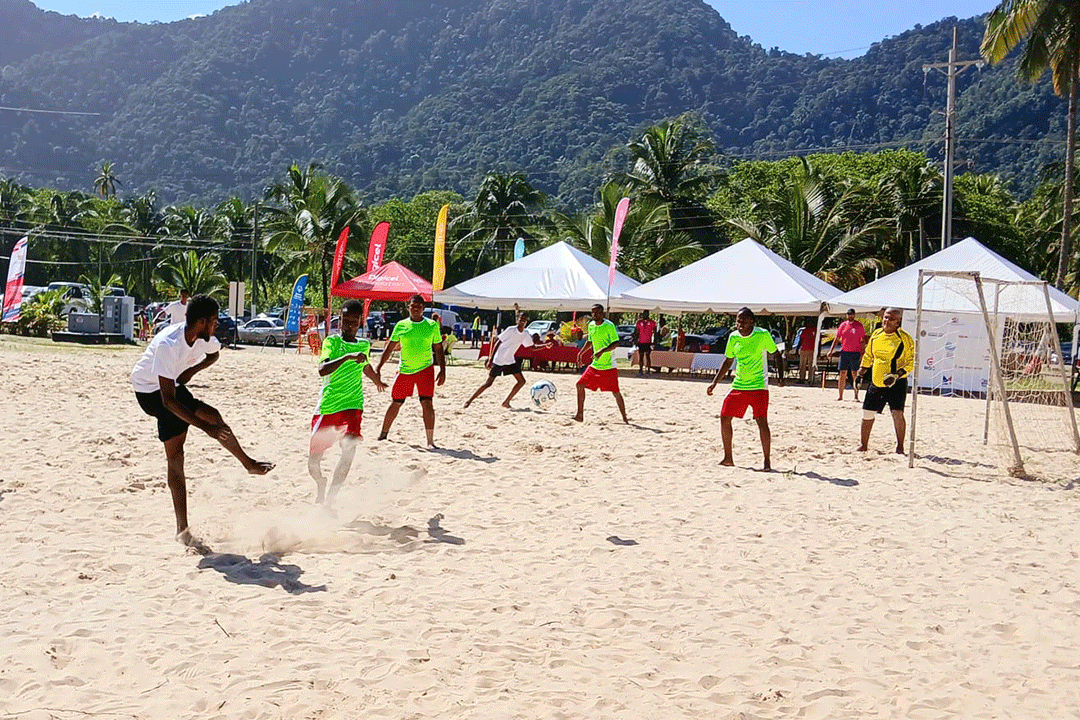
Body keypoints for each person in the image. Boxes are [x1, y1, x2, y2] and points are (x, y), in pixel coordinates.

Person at [131, 294, 274, 548]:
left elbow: (213, 355)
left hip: (171, 386)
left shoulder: (202, 338)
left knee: (214, 416)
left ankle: (248, 463)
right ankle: (182, 530)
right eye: (214, 321)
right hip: (149, 392)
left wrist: (190, 371)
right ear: (201, 321)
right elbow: (168, 401)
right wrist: (205, 428)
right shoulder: (168, 344)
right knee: (177, 455)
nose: (217, 325)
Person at [309, 299, 387, 505]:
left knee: (349, 450)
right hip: (328, 407)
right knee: (313, 463)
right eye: (346, 320)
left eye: (354, 321)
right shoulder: (332, 343)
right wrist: (347, 357)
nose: (350, 325)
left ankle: (331, 499)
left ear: (361, 321)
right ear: (340, 320)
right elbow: (322, 370)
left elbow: (365, 366)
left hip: (353, 406)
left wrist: (377, 380)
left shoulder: (364, 344)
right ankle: (321, 483)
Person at [706, 307, 784, 471]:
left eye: (743, 321)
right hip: (739, 385)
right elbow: (728, 361)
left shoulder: (762, 335)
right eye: (738, 321)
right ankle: (728, 458)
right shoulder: (733, 337)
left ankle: (767, 461)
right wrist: (714, 382)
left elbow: (776, 354)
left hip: (759, 386)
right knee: (724, 417)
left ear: (751, 322)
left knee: (761, 422)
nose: (740, 324)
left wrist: (781, 377)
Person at [375, 294, 446, 448]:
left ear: (423, 309)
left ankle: (430, 441)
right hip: (405, 370)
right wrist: (379, 367)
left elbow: (439, 348)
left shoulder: (432, 326)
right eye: (413, 306)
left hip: (426, 369)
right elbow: (389, 348)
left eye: (419, 307)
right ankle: (383, 433)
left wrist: (443, 370)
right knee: (396, 402)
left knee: (427, 403)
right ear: (408, 307)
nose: (415, 309)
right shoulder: (401, 325)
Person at [857, 307, 915, 454]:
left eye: (891, 319)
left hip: (896, 383)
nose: (886, 321)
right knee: (867, 413)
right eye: (885, 317)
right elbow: (869, 355)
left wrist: (896, 375)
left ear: (898, 322)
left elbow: (910, 362)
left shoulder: (905, 338)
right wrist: (861, 371)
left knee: (897, 414)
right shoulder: (876, 334)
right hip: (876, 382)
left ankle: (900, 447)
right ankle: (863, 445)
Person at [465, 312, 536, 408]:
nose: (522, 320)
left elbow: (532, 347)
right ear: (517, 319)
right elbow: (498, 342)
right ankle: (469, 401)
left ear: (527, 321)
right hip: (499, 359)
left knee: (521, 381)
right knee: (488, 383)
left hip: (510, 360)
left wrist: (545, 346)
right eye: (521, 318)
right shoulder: (511, 330)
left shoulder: (525, 334)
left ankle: (506, 402)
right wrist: (491, 359)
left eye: (524, 319)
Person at [573, 304, 629, 423]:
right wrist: (581, 353)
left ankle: (625, 418)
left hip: (609, 365)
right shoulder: (591, 325)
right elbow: (590, 341)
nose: (594, 315)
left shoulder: (609, 325)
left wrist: (602, 351)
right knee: (579, 385)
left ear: (602, 313)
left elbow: (616, 343)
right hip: (595, 365)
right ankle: (579, 415)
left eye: (597, 312)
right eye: (593, 312)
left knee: (615, 392)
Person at [830, 308, 867, 401]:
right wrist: (831, 350)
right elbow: (837, 338)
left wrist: (863, 353)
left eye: (852, 314)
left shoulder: (859, 325)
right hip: (844, 352)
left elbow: (863, 340)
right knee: (842, 373)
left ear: (854, 315)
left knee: (855, 373)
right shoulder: (843, 325)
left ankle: (856, 396)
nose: (850, 316)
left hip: (855, 352)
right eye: (848, 314)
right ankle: (840, 395)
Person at [634, 310, 658, 376]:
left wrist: (654, 341)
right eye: (644, 314)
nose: (645, 315)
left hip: (648, 342)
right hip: (641, 342)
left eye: (646, 314)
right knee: (641, 356)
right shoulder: (639, 322)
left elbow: (655, 332)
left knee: (648, 356)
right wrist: (635, 340)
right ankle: (640, 370)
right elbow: (637, 332)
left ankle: (648, 371)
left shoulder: (652, 322)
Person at [796, 317, 817, 384]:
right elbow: (800, 340)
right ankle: (803, 378)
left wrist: (797, 349)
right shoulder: (805, 330)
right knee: (803, 365)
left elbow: (818, 342)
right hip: (805, 349)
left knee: (808, 365)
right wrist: (797, 348)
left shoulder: (814, 331)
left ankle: (810, 379)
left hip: (810, 350)